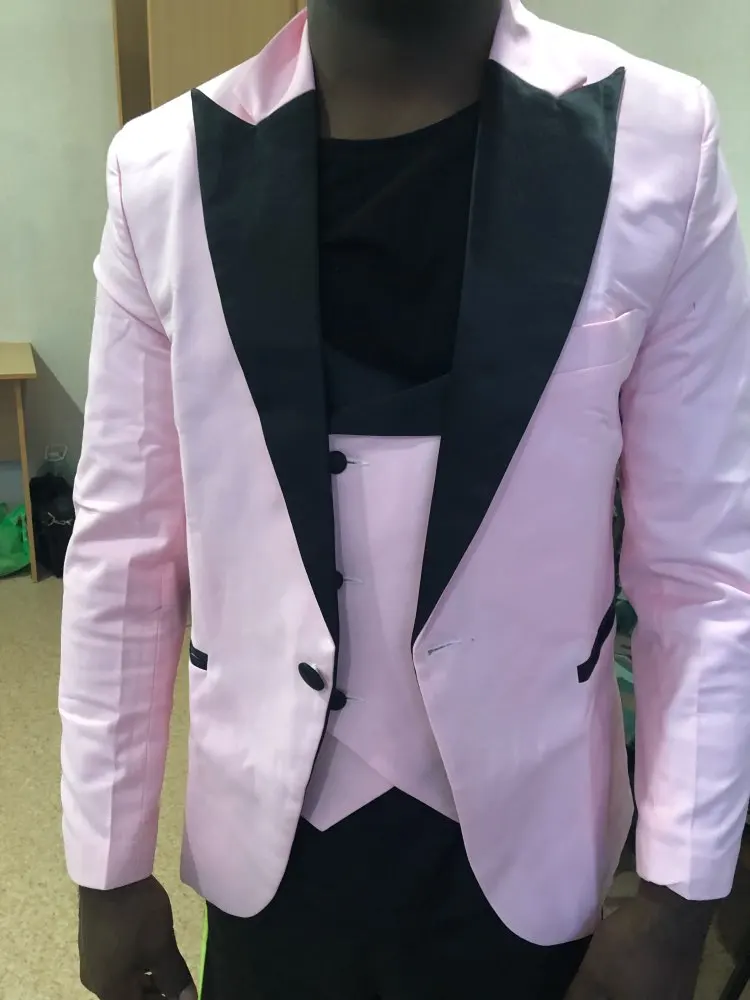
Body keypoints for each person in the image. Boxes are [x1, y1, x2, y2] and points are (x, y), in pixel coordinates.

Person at [59, 1, 750, 998]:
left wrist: (678, 898)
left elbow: (706, 567)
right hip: (272, 848)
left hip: (540, 851)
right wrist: (107, 867)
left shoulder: (659, 145)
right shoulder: (163, 172)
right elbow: (122, 553)